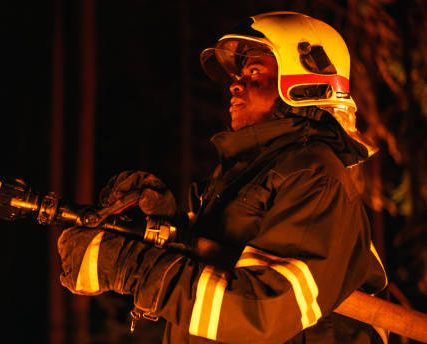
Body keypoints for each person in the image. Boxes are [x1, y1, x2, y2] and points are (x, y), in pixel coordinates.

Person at [57, 11, 388, 343]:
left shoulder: (314, 176)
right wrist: (169, 228)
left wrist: (134, 267)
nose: (235, 84)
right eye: (240, 73)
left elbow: (263, 312)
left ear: (303, 83)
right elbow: (219, 271)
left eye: (254, 71)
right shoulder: (251, 175)